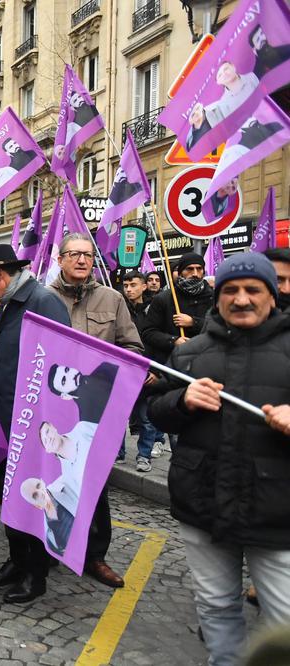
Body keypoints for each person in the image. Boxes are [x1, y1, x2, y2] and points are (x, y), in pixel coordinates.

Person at [149, 252, 290, 666]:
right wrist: (182, 399)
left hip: (277, 511)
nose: (241, 299)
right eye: (231, 290)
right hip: (203, 502)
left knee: (284, 617)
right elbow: (156, 412)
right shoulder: (190, 352)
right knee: (215, 604)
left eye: (253, 289)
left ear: (271, 296)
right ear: (218, 297)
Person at [0, 243, 71, 603]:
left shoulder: (42, 301)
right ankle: (17, 561)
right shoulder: (12, 303)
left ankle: (35, 573)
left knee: (34, 496)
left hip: (35, 422)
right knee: (12, 493)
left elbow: (59, 362)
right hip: (11, 417)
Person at [47, 234, 139, 588]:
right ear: (60, 259)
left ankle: (95, 555)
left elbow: (132, 346)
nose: (82, 260)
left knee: (96, 483)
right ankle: (46, 548)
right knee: (52, 475)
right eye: (74, 254)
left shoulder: (112, 299)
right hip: (54, 408)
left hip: (98, 412)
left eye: (87, 255)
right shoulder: (44, 298)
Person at [121, 270, 164, 467]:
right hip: (125, 371)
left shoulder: (153, 310)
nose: (129, 290)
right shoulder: (120, 307)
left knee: (146, 418)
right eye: (126, 286)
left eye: (133, 285)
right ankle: (118, 454)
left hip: (147, 371)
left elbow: (157, 341)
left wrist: (157, 371)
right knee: (119, 416)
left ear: (144, 286)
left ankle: (144, 455)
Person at [143, 252, 214, 364]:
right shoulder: (164, 298)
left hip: (207, 363)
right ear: (180, 272)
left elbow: (225, 328)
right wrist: (173, 341)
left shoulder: (215, 298)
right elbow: (148, 333)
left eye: (199, 269)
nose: (195, 273)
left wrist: (194, 322)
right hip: (173, 364)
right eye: (189, 269)